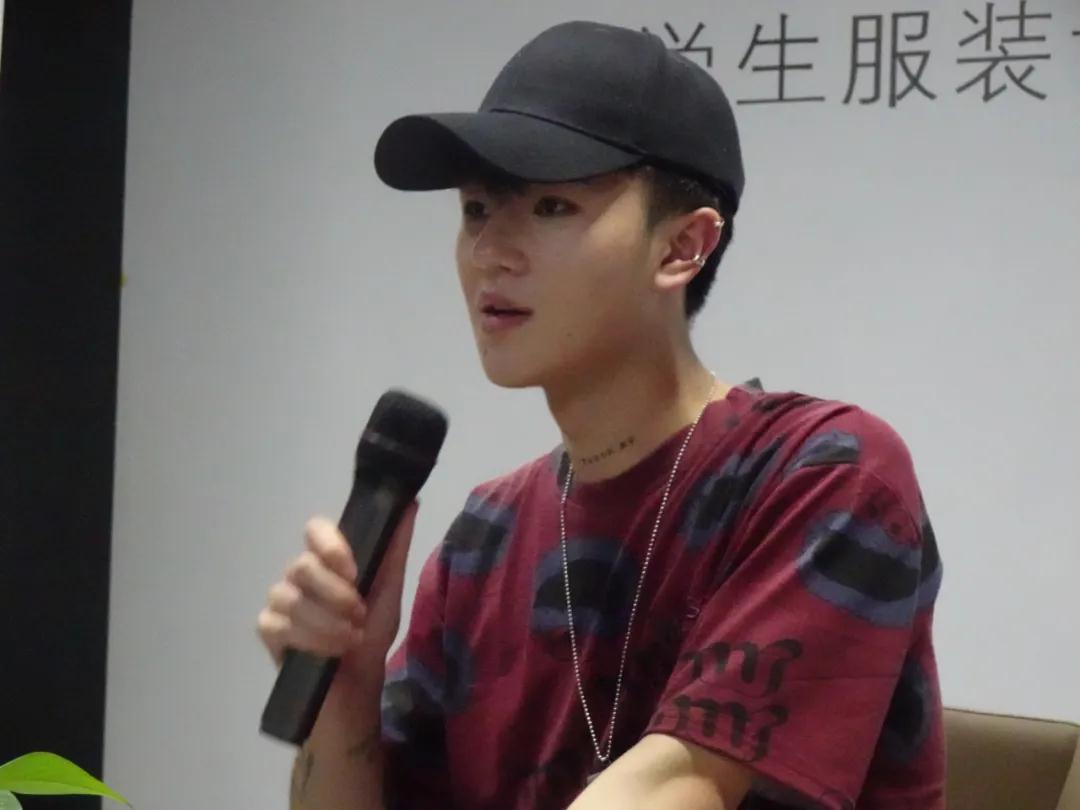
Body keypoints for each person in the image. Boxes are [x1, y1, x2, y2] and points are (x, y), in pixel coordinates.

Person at [257, 20, 945, 810]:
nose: (490, 252)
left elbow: (680, 785)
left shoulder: (826, 476)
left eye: (551, 205)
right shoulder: (485, 537)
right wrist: (344, 699)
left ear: (682, 247)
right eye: (477, 209)